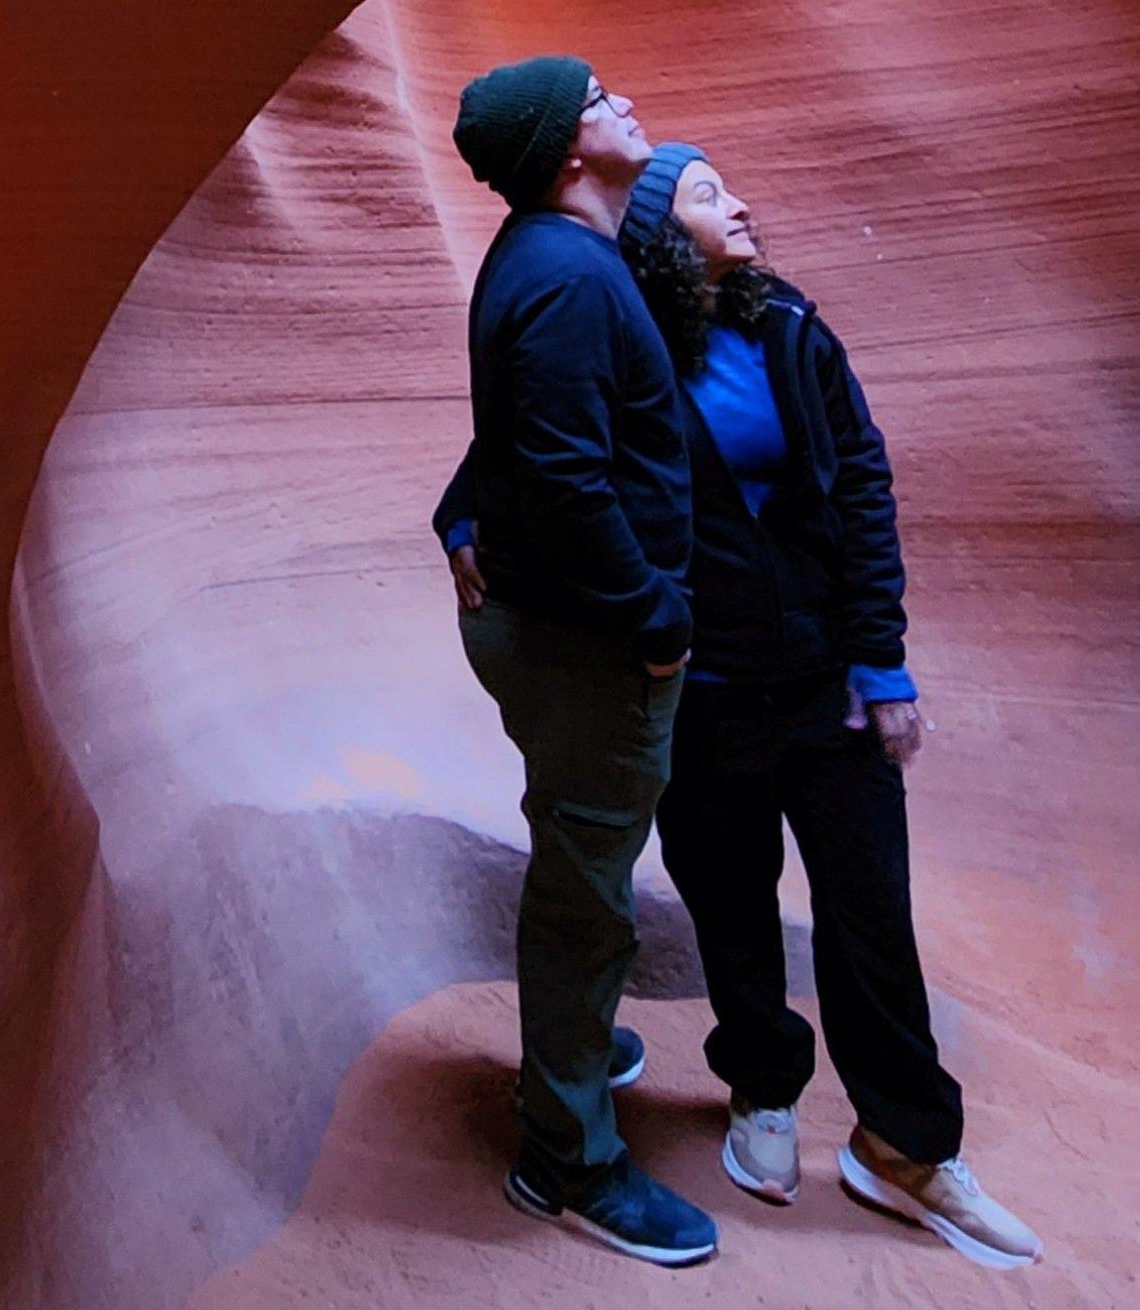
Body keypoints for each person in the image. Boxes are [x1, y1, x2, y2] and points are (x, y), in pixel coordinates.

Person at [446, 141, 1041, 1271]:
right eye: (712, 194)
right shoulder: (622, 339)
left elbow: (860, 481)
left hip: (827, 684)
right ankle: (762, 1086)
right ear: (665, 231)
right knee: (731, 903)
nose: (745, 202)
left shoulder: (792, 331)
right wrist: (460, 519)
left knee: (869, 907)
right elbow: (527, 440)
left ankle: (906, 1144)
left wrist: (883, 665)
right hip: (700, 689)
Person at [438, 59, 719, 1268]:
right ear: (566, 152)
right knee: (585, 896)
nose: (623, 101)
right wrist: (654, 619)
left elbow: (512, 440)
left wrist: (455, 517)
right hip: (590, 646)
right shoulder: (562, 277)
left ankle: (577, 1048)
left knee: (578, 861)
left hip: (563, 630)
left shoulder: (553, 257)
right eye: (598, 97)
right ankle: (567, 1153)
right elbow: (560, 474)